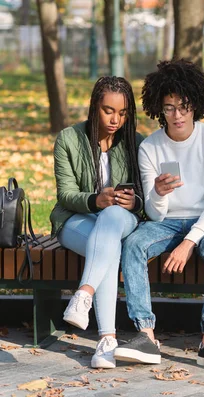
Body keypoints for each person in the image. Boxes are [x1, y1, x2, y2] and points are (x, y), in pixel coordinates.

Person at [113, 59, 204, 373]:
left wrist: (190, 241)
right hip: (168, 221)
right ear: (159, 108)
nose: (177, 115)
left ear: (195, 103)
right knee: (134, 244)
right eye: (169, 108)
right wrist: (158, 193)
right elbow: (155, 215)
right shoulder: (151, 148)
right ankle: (145, 335)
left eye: (183, 106)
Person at [52, 76, 144, 369]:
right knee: (108, 248)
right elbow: (66, 194)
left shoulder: (136, 143)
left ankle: (84, 295)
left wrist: (135, 203)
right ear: (94, 107)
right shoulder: (69, 139)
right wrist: (95, 200)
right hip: (75, 221)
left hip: (121, 218)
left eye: (123, 112)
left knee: (112, 218)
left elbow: (147, 197)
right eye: (108, 110)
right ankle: (107, 340)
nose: (116, 119)